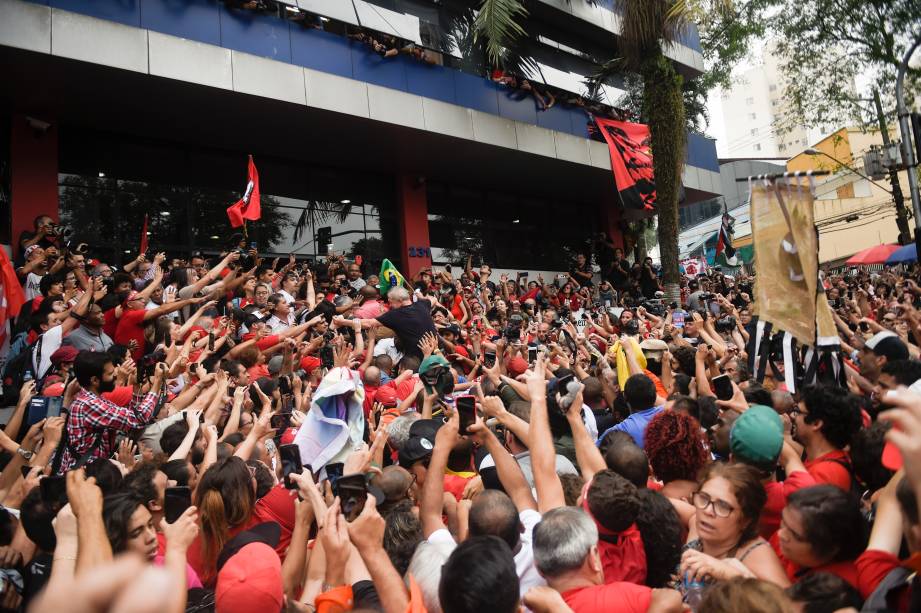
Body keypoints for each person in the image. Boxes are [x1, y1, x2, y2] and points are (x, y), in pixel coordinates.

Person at [680, 462, 790, 588]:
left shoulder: (755, 553)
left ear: (746, 520)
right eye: (704, 498)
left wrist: (732, 575)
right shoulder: (698, 527)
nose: (708, 511)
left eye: (723, 506)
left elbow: (787, 605)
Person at [59, 351, 168, 472]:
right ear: (95, 380)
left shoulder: (95, 399)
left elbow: (132, 418)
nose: (116, 374)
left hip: (94, 470)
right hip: (84, 476)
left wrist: (137, 388)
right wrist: (157, 382)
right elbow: (139, 419)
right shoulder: (89, 404)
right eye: (110, 373)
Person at [775, 485, 866, 589]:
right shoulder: (791, 544)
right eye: (783, 521)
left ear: (830, 549)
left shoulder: (836, 591)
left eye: (794, 535)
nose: (780, 534)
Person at [792, 385, 862, 491]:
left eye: (798, 412)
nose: (793, 416)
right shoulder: (820, 462)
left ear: (816, 423)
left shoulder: (827, 473)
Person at [343, 287, 437, 360]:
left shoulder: (396, 314)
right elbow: (433, 300)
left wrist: (343, 321)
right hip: (436, 354)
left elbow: (368, 323)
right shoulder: (422, 304)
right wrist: (422, 297)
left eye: (391, 302)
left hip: (417, 359)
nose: (390, 305)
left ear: (400, 300)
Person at [597, 374, 663, 449]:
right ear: (655, 394)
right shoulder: (671, 412)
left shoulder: (619, 431)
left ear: (625, 397)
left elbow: (594, 452)